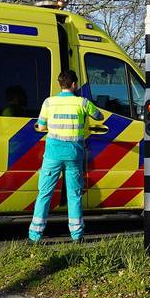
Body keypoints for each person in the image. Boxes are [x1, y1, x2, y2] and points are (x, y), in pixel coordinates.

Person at [29, 70, 103, 243]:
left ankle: (34, 236)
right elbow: (100, 116)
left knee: (44, 194)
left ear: (60, 85)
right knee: (74, 195)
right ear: (75, 85)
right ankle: (77, 236)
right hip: (73, 155)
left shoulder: (49, 103)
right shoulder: (83, 102)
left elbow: (40, 127)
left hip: (53, 155)